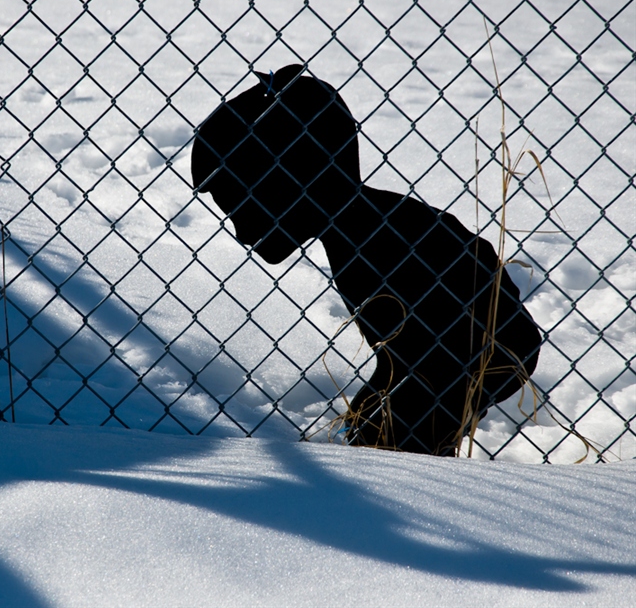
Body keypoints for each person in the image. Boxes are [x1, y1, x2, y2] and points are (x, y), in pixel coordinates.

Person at [191, 64, 541, 455]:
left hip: (467, 366)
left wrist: (397, 423)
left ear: (293, 177)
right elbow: (406, 353)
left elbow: (481, 344)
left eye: (244, 207)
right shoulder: (367, 233)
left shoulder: (381, 244)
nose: (242, 232)